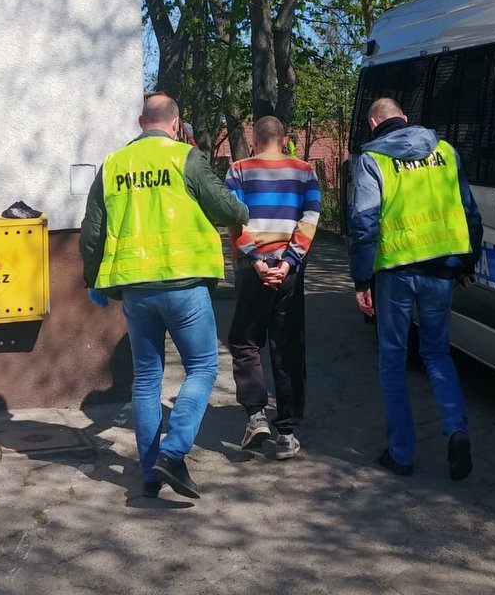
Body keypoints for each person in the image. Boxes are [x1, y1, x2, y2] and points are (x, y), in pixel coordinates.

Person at [80, 94, 248, 499]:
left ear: (141, 122)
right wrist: (241, 211)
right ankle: (172, 454)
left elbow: (92, 232)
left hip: (137, 291)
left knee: (146, 378)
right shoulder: (186, 158)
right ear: (176, 123)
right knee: (203, 368)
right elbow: (225, 209)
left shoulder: (113, 165)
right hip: (185, 286)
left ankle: (150, 475)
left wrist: (92, 280)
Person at [348, 97, 482, 480]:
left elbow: (364, 222)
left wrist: (361, 279)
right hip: (441, 270)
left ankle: (401, 453)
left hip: (396, 271)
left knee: (393, 359)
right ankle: (455, 429)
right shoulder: (446, 151)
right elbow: (469, 211)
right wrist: (466, 263)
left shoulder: (372, 160)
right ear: (405, 118)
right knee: (437, 353)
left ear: (374, 124)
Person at [224, 116, 321, 459]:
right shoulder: (305, 172)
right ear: (285, 139)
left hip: (252, 271)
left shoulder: (238, 170)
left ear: (253, 139)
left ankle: (255, 415)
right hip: (288, 272)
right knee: (287, 347)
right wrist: (288, 262)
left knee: (245, 341)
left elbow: (234, 218)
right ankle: (287, 434)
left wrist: (256, 260)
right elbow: (310, 218)